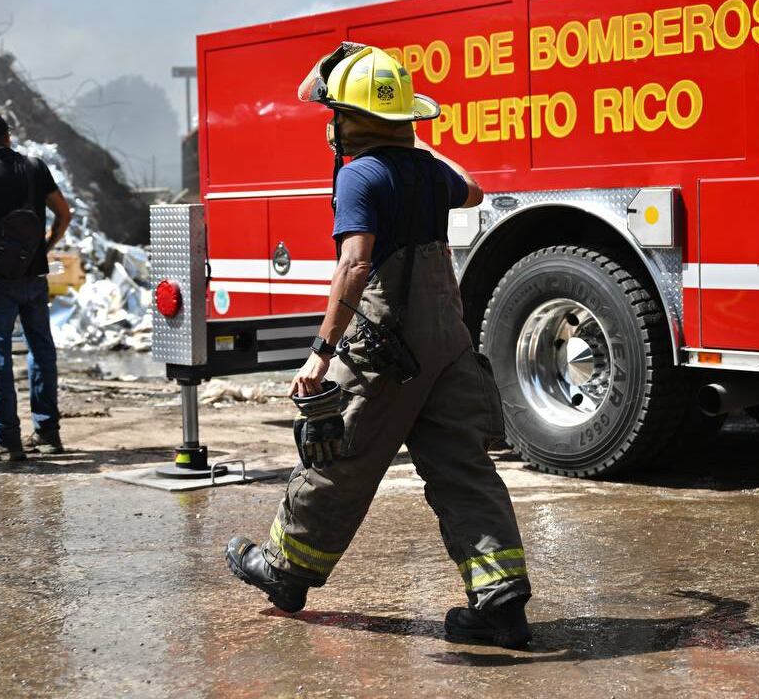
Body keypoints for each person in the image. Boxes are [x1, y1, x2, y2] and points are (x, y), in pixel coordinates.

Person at [224, 45, 533, 648]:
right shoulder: (426, 170)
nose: (328, 124)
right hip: (448, 346)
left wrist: (319, 350)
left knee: (339, 457)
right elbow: (471, 188)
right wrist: (415, 140)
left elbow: (356, 263)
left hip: (388, 351)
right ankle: (501, 606)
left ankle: (287, 573)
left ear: (350, 119)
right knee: (464, 470)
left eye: (334, 114)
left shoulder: (359, 174)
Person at [0, 113, 72, 461]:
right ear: (9, 135)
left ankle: (8, 440)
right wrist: (45, 247)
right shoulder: (36, 167)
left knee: (0, 355)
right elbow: (63, 213)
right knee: (42, 349)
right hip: (34, 276)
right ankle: (48, 434)